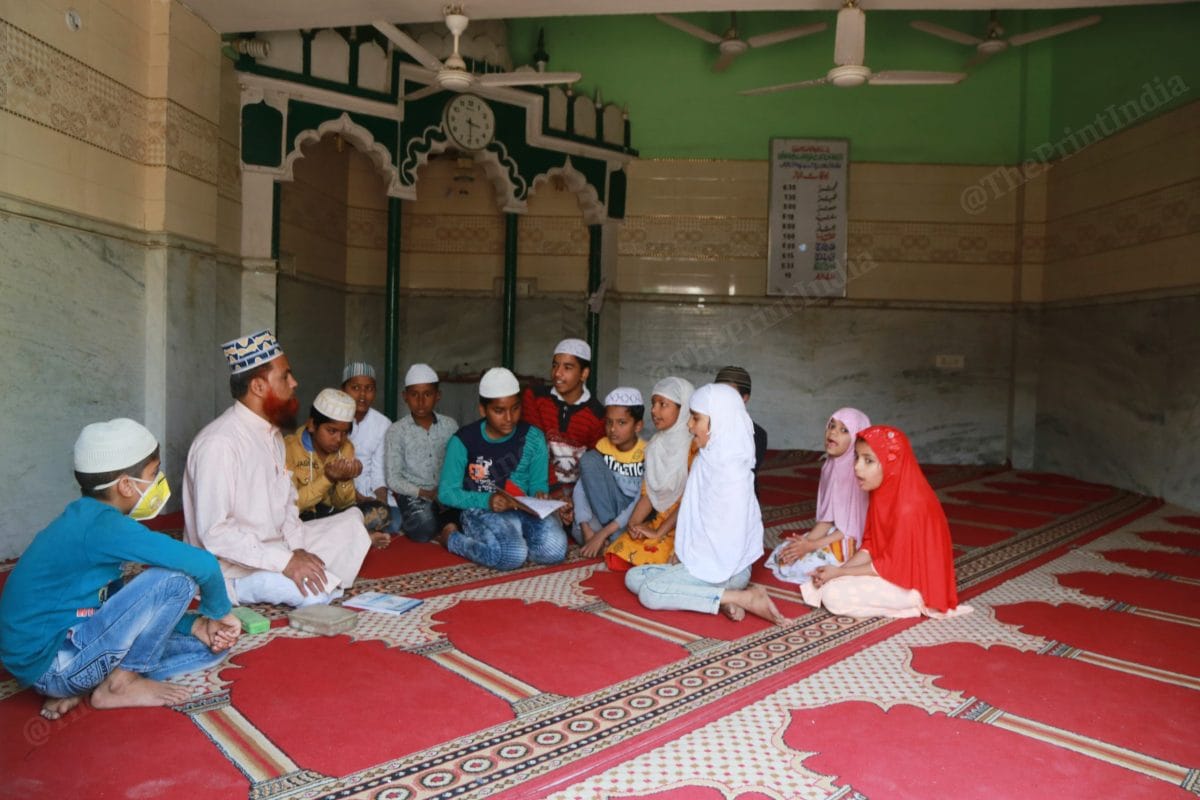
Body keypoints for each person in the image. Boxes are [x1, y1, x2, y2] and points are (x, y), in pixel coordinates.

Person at [0, 419, 239, 722]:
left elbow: (117, 600)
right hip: (54, 664)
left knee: (208, 646)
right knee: (177, 581)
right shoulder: (104, 527)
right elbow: (201, 564)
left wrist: (195, 625)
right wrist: (220, 612)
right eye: (154, 474)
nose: (159, 482)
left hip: (64, 652)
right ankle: (119, 683)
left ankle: (94, 684)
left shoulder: (87, 519)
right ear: (126, 485)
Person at [184, 329, 371, 607]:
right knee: (317, 595)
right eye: (285, 376)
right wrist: (286, 561)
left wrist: (297, 549)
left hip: (275, 548)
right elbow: (215, 534)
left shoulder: (273, 435)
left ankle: (305, 573)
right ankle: (247, 588)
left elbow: (288, 507)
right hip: (233, 566)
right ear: (258, 387)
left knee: (352, 524)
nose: (294, 383)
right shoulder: (219, 443)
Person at [625, 384, 785, 624]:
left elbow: (728, 544)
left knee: (651, 593)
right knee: (634, 577)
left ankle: (744, 597)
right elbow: (693, 515)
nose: (689, 425)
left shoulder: (734, 473)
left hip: (729, 569)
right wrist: (684, 552)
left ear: (718, 421)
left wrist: (691, 562)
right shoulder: (706, 459)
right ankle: (723, 599)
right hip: (700, 561)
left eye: (696, 418)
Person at [800, 425, 972, 619]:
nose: (857, 466)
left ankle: (916, 605)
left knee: (833, 595)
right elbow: (870, 545)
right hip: (891, 571)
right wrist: (841, 571)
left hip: (915, 584)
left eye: (869, 461)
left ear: (893, 463)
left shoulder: (910, 506)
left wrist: (839, 574)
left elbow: (892, 566)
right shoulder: (884, 492)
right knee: (827, 581)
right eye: (857, 457)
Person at [437, 367, 568, 571]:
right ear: (483, 409)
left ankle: (512, 541)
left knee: (555, 550)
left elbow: (537, 485)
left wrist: (540, 496)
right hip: (481, 509)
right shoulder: (463, 440)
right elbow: (446, 493)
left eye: (515, 408)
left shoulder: (533, 437)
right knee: (512, 556)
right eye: (499, 411)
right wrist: (487, 500)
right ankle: (452, 539)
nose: (509, 418)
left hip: (523, 510)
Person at [766, 408, 871, 583]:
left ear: (857, 438)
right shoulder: (830, 466)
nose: (833, 432)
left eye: (844, 430)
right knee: (784, 553)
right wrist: (803, 544)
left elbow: (853, 530)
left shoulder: (860, 473)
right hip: (834, 532)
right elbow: (826, 520)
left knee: (806, 566)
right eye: (831, 426)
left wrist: (812, 546)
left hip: (855, 541)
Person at [604, 377, 696, 572]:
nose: (654, 411)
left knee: (664, 559)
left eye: (663, 405)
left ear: (683, 409)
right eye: (653, 403)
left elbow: (690, 501)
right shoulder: (655, 445)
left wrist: (657, 532)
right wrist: (634, 524)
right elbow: (649, 494)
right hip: (660, 522)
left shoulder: (694, 448)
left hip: (687, 525)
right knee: (616, 555)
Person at [284, 388, 392, 548]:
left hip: (330, 516)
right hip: (299, 518)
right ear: (312, 425)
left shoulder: (346, 448)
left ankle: (344, 537)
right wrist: (327, 479)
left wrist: (344, 479)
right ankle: (357, 537)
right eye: (331, 431)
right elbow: (293, 505)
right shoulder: (290, 448)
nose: (338, 439)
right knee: (288, 529)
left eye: (344, 432)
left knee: (381, 512)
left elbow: (343, 504)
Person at [519, 338, 606, 513]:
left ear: (584, 374)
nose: (557, 373)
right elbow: (536, 449)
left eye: (567, 367)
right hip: (539, 485)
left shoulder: (598, 415)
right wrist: (555, 492)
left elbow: (593, 467)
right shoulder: (535, 398)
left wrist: (573, 498)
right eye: (555, 365)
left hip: (578, 494)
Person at [384, 363, 460, 542]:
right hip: (415, 495)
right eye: (414, 394)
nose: (420, 401)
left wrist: (445, 489)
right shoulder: (396, 431)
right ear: (405, 397)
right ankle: (443, 523)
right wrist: (425, 494)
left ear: (437, 396)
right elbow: (393, 479)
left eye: (427, 394)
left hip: (445, 491)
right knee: (423, 528)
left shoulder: (450, 426)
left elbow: (458, 465)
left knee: (472, 513)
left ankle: (445, 521)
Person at [572, 387, 646, 558]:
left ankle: (611, 538)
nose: (613, 429)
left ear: (638, 425)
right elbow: (582, 486)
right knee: (579, 530)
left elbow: (640, 501)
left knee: (637, 530)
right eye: (609, 422)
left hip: (633, 514)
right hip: (607, 510)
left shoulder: (647, 453)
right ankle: (613, 540)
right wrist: (585, 528)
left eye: (622, 423)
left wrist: (603, 533)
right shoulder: (602, 448)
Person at [342, 361, 398, 532]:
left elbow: (379, 471)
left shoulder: (383, 424)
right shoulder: (334, 420)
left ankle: (356, 528)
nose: (362, 395)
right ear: (343, 390)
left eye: (369, 388)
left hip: (370, 494)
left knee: (393, 523)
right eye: (355, 388)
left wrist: (380, 501)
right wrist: (356, 497)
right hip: (340, 494)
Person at [715, 366, 768, 474]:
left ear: (745, 398)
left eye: (729, 393)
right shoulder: (700, 425)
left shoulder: (757, 434)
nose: (721, 398)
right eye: (718, 391)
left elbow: (739, 475)